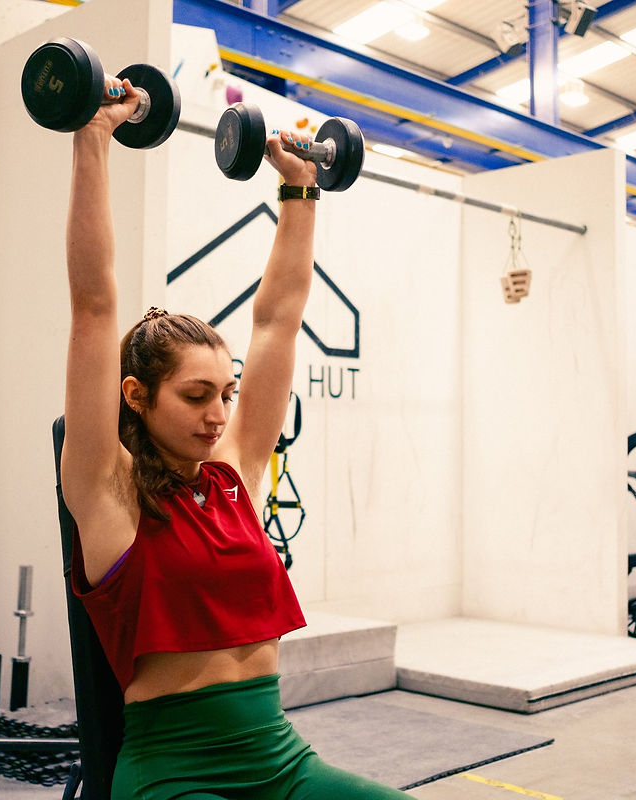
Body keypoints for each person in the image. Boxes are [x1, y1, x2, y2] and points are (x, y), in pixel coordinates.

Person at [59, 75, 410, 799]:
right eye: (195, 396)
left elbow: (278, 317)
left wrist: (301, 189)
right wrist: (92, 137)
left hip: (280, 761)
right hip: (172, 773)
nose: (219, 414)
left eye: (226, 393)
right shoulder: (108, 494)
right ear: (136, 396)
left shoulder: (235, 478)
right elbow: (94, 307)